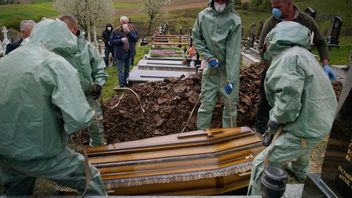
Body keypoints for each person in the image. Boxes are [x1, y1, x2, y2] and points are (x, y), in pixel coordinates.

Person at [0, 19, 107, 195]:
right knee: (90, 179)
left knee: (18, 189)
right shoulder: (56, 64)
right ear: (64, 40)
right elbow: (79, 119)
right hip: (38, 150)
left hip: (5, 149)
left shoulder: (7, 60)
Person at [247, 21, 337, 195]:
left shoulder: (287, 60)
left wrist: (273, 124)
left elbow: (288, 106)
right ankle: (300, 174)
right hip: (320, 119)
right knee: (302, 148)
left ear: (273, 41)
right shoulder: (303, 54)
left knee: (260, 164)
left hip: (307, 126)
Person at [254, 0, 337, 134]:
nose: (275, 11)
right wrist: (275, 66)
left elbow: (320, 42)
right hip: (274, 68)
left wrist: (325, 64)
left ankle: (292, 131)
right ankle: (261, 129)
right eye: (273, 7)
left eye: (278, 7)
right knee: (266, 100)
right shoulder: (271, 22)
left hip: (300, 70)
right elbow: (261, 48)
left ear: (289, 3)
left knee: (298, 99)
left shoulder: (305, 20)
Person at [192, 0, 242, 129]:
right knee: (206, 105)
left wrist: (231, 80)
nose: (220, 2)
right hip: (211, 69)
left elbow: (234, 52)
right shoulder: (203, 16)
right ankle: (201, 137)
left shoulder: (234, 19)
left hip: (227, 70)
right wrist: (208, 57)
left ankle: (229, 139)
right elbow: (196, 38)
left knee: (230, 107)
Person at [59, 15, 108, 147]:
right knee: (60, 127)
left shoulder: (87, 47)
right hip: (65, 97)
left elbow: (99, 67)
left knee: (95, 122)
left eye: (64, 30)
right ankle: (66, 154)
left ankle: (98, 148)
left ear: (74, 29)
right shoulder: (57, 51)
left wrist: (98, 83)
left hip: (87, 93)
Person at [110, 16, 138, 87]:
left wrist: (128, 33)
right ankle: (121, 83)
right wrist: (121, 40)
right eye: (123, 22)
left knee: (127, 69)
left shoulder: (132, 30)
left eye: (126, 22)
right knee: (120, 70)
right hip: (120, 53)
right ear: (120, 22)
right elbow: (111, 41)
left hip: (129, 52)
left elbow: (135, 39)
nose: (125, 24)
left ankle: (126, 81)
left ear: (128, 22)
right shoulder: (115, 31)